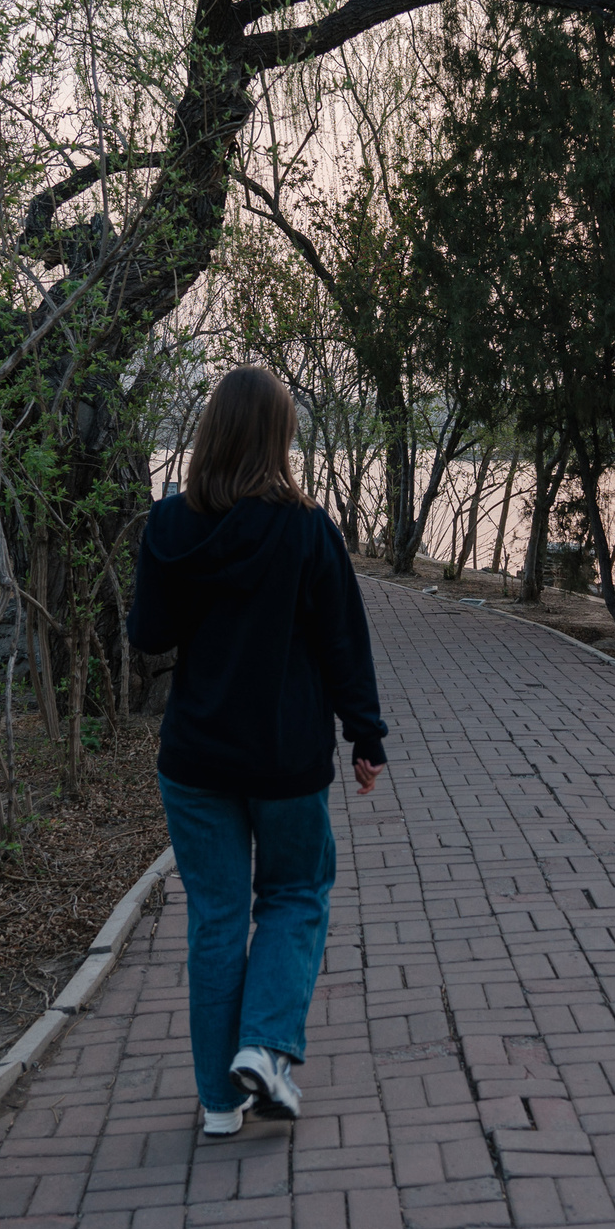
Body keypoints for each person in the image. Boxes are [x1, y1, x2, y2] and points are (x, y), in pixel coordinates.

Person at [127, 365, 390, 1138]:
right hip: (283, 757)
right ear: (279, 438)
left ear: (211, 431)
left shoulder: (168, 526)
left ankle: (219, 1100)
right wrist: (364, 734)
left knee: (215, 916)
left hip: (197, 757)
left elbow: (147, 635)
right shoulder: (307, 530)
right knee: (296, 892)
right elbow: (344, 641)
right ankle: (266, 1046)